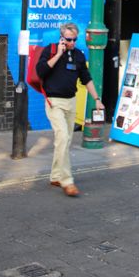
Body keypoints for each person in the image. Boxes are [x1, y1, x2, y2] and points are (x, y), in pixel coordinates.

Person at [36, 22, 104, 196]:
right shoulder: (49, 51)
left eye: (74, 39)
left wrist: (97, 99)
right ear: (61, 37)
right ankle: (67, 181)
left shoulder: (79, 55)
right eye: (68, 39)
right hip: (54, 102)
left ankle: (55, 175)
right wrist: (59, 54)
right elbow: (40, 71)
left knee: (65, 141)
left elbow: (86, 79)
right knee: (62, 136)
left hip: (70, 102)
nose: (72, 43)